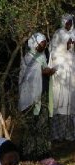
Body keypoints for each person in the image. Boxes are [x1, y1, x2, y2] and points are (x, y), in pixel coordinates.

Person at [19, 33, 56, 162]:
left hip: (43, 95)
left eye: (45, 43)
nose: (44, 45)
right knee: (31, 125)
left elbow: (43, 69)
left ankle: (42, 152)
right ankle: (29, 153)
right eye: (42, 43)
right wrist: (46, 71)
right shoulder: (28, 58)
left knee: (42, 124)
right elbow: (32, 74)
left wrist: (48, 71)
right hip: (31, 97)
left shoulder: (41, 57)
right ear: (34, 44)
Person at [49, 14, 75, 142]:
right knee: (60, 103)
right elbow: (53, 51)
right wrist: (65, 48)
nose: (69, 25)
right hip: (61, 71)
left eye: (71, 22)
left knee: (71, 104)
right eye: (67, 22)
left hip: (71, 72)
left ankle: (70, 134)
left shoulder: (74, 32)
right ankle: (57, 134)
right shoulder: (58, 34)